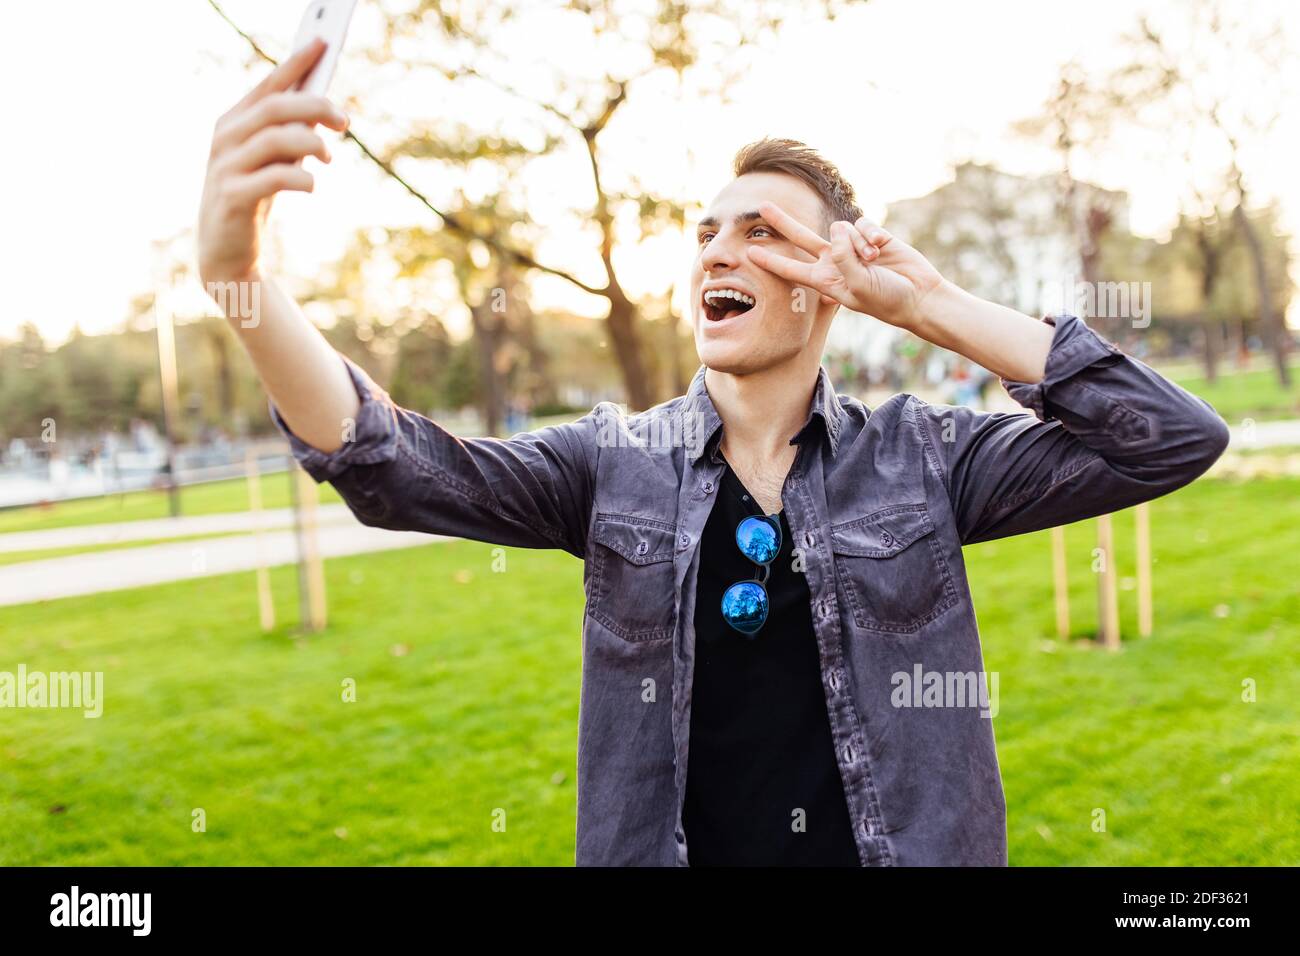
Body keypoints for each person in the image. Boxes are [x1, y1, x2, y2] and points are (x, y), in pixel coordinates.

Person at [197, 41, 1229, 866]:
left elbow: (1169, 439)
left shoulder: (924, 458)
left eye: (764, 233)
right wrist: (241, 279)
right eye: (705, 233)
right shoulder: (611, 464)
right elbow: (394, 467)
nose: (720, 251)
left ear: (827, 279)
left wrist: (932, 307)